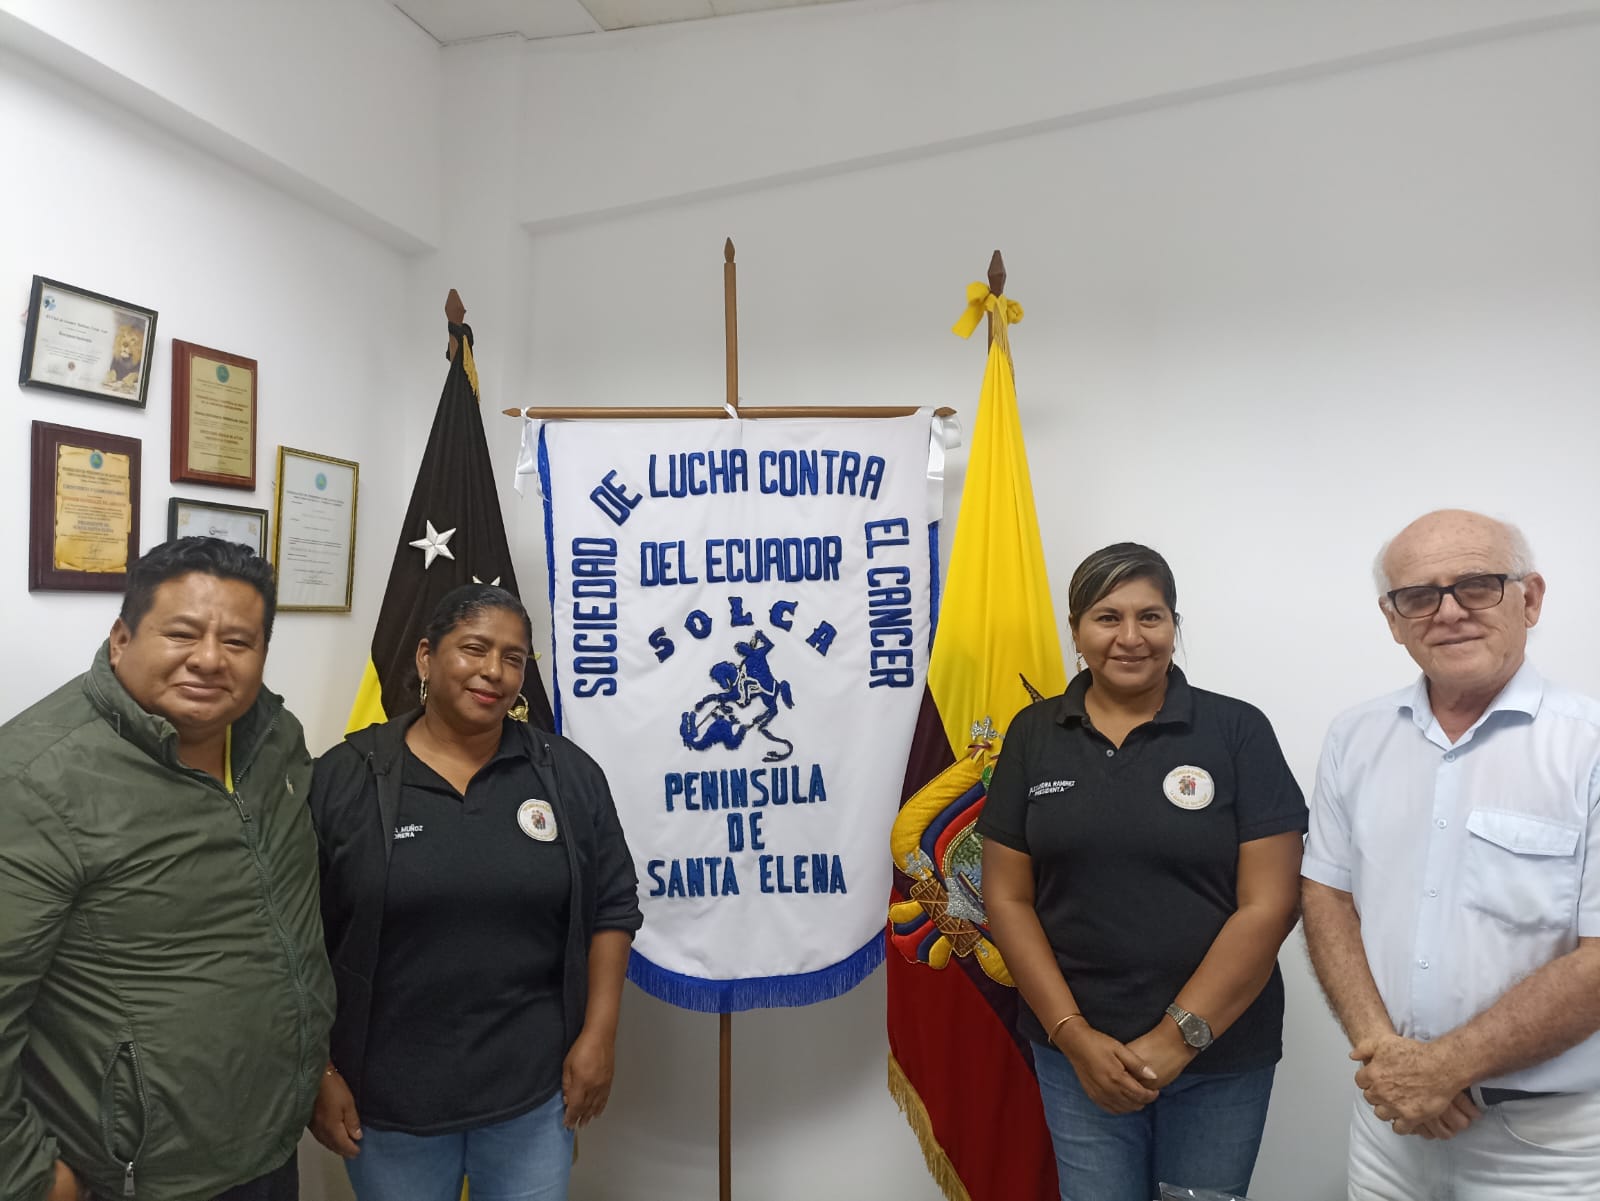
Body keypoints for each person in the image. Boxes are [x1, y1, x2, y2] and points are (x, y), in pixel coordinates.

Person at [0, 537, 334, 1201]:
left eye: (238, 641)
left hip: (271, 1143)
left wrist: (314, 1069)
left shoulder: (276, 740)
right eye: (182, 633)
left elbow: (285, 937)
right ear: (121, 639)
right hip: (139, 1175)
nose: (209, 658)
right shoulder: (35, 780)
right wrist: (27, 1175)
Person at [979, 542, 1306, 1201]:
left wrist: (1178, 1037)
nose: (1130, 637)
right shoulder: (1033, 733)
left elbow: (1271, 902)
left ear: (1174, 626)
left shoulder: (1237, 730)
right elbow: (1007, 897)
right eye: (1107, 617)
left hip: (1220, 1054)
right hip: (1078, 1057)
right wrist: (1074, 1037)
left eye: (1150, 616)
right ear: (1076, 630)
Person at [308, 584, 641, 1201]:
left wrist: (599, 1036)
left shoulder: (566, 773)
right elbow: (299, 937)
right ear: (426, 657)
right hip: (388, 1105)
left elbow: (613, 908)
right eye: (474, 648)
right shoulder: (345, 776)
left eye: (513, 658)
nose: (494, 671)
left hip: (533, 1097)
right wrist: (319, 1070)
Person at [1302, 509, 1600, 1198]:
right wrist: (1391, 1059)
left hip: (1548, 1148)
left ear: (1530, 599)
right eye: (1419, 595)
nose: (1449, 612)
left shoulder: (1588, 749)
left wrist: (1444, 1068)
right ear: (1392, 618)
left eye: (1476, 585)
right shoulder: (1355, 738)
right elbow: (1327, 895)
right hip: (1391, 1129)